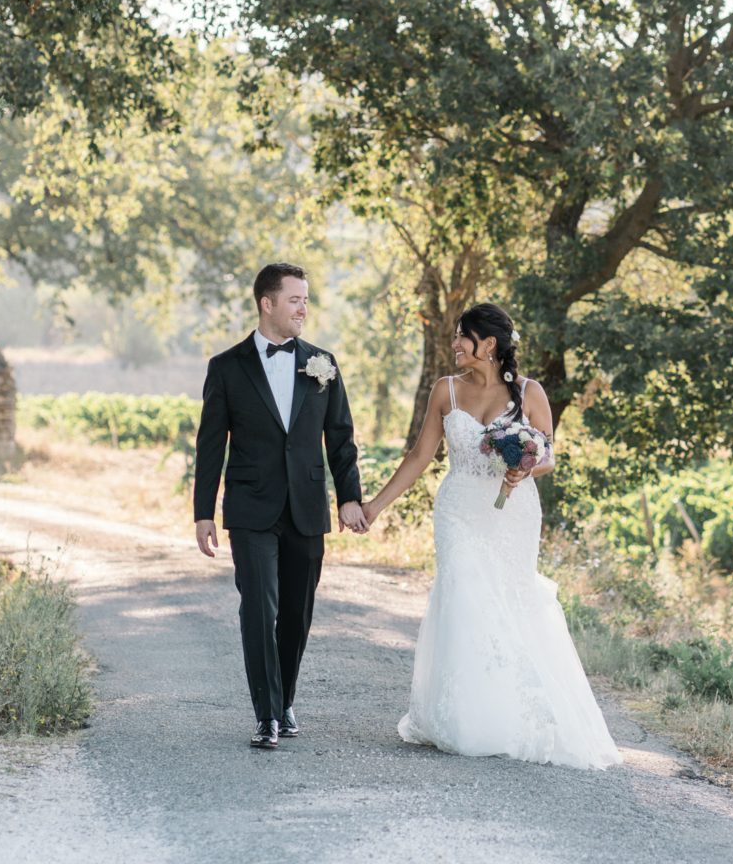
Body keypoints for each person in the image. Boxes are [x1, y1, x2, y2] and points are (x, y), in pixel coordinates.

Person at [362, 303, 621, 769]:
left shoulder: (530, 392)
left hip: (513, 514)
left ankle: (511, 715)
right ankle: (466, 718)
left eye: (463, 336)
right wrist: (375, 507)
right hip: (459, 510)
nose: (456, 344)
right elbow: (421, 456)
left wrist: (523, 465)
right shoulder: (446, 391)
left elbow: (548, 456)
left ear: (490, 345)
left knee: (509, 602)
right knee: (464, 597)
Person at [193, 263, 366, 749]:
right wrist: (203, 511)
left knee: (296, 612)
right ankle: (266, 714)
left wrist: (350, 496)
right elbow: (211, 445)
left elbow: (341, 439)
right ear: (267, 303)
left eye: (307, 300)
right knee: (258, 608)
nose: (304, 309)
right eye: (295, 300)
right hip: (250, 509)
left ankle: (284, 698)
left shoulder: (323, 363)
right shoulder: (226, 367)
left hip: (308, 506)